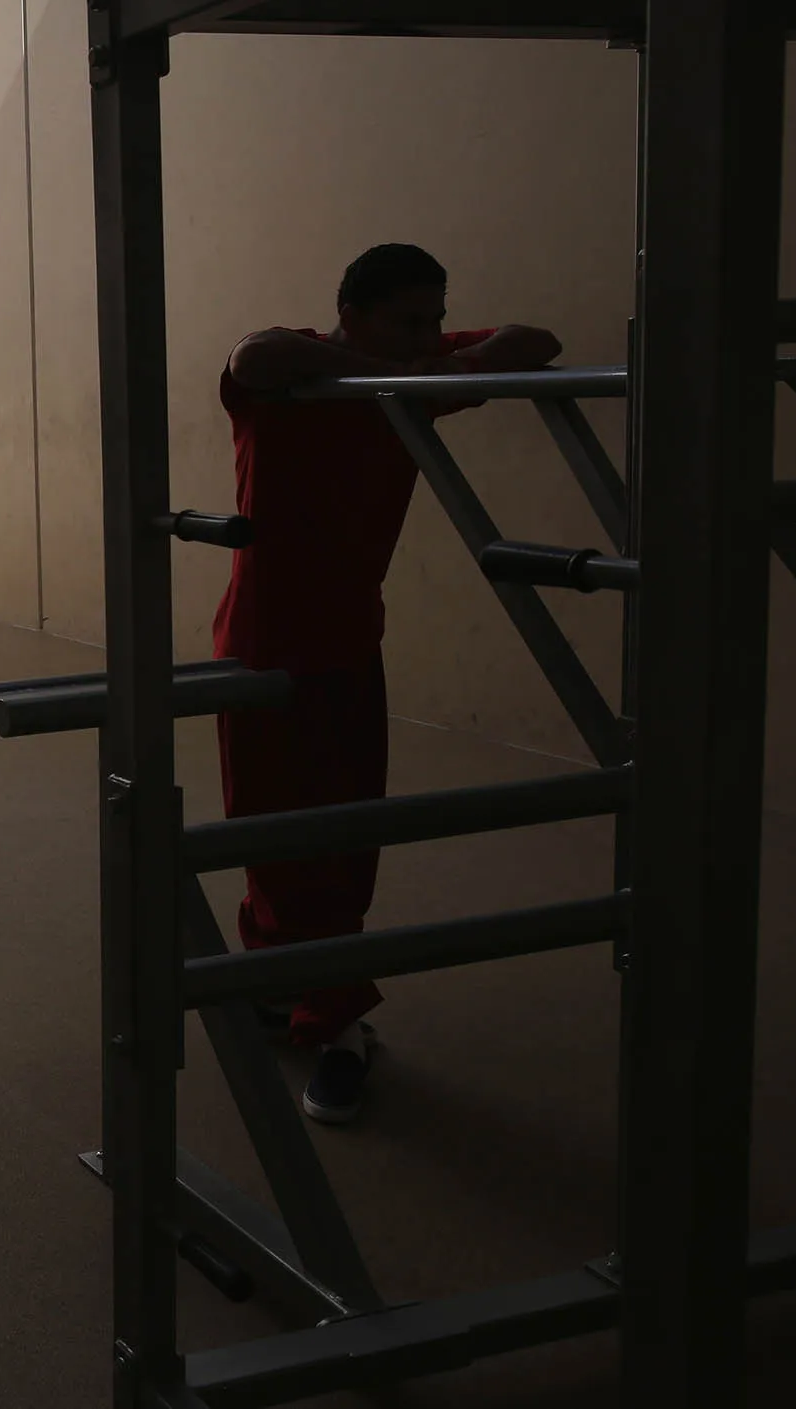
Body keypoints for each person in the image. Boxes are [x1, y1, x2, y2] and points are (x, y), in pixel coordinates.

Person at [215, 243, 561, 1124]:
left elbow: (538, 339)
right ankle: (276, 985)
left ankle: (336, 1024)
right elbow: (255, 353)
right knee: (266, 833)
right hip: (256, 643)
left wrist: (437, 364)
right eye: (409, 319)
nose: (428, 334)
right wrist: (386, 373)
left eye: (436, 317)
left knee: (338, 845)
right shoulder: (291, 374)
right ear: (350, 312)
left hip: (343, 647)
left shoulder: (417, 373)